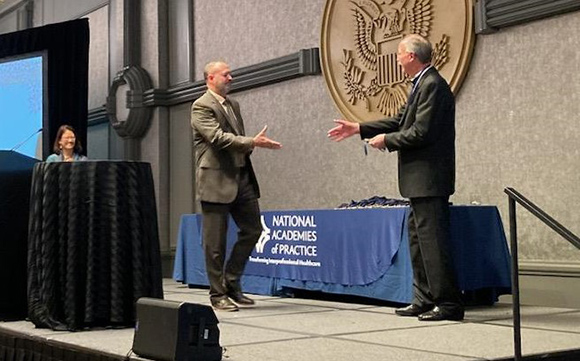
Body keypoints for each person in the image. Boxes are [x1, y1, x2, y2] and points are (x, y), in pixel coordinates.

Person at [327, 34, 463, 321]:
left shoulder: (433, 85)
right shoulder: (420, 85)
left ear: (411, 56)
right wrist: (359, 128)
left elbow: (421, 132)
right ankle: (425, 299)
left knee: (434, 243)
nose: (398, 60)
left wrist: (386, 140)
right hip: (419, 181)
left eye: (399, 55)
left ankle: (448, 304)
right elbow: (401, 121)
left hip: (429, 179)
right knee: (419, 241)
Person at [191, 61, 282, 312]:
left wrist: (250, 143)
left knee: (253, 230)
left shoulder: (233, 105)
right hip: (215, 180)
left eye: (231, 73)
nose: (231, 77)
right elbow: (217, 139)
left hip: (242, 178)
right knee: (215, 243)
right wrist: (252, 141)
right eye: (225, 74)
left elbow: (235, 141)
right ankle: (217, 294)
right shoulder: (200, 106)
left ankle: (231, 282)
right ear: (210, 78)